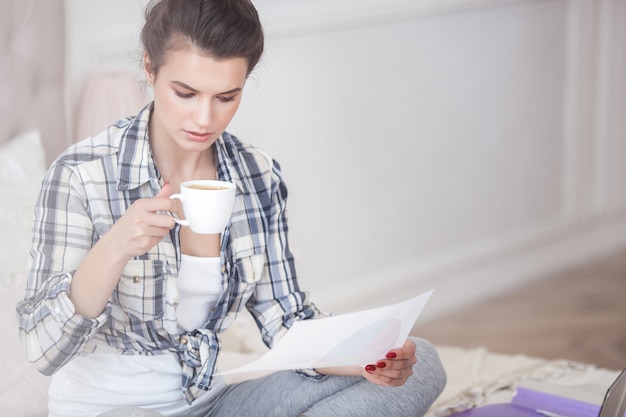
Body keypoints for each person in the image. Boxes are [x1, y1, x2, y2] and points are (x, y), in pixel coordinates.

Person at [16, 0, 446, 416]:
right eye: (185, 93)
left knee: (421, 362)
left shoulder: (257, 175)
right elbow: (43, 349)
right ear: (149, 69)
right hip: (110, 409)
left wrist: (368, 358)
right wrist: (112, 249)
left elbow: (287, 320)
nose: (204, 118)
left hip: (213, 404)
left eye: (226, 97)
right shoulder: (81, 174)